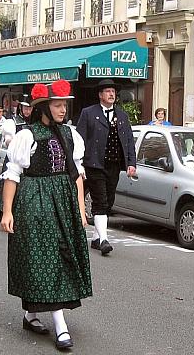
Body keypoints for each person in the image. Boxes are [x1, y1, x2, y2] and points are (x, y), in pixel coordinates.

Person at [0, 80, 91, 350]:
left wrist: (81, 209)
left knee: (60, 256)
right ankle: (60, 326)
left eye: (64, 104)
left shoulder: (70, 134)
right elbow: (12, 174)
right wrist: (7, 211)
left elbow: (76, 175)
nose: (63, 109)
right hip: (35, 199)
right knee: (43, 257)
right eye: (57, 105)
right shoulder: (27, 135)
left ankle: (30, 315)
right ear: (44, 108)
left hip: (62, 201)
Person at [76, 79, 137, 256]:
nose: (111, 94)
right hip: (94, 164)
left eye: (113, 91)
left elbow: (128, 141)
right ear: (100, 95)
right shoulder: (88, 113)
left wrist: (131, 163)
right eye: (108, 91)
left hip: (114, 164)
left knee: (108, 201)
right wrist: (79, 163)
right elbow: (79, 139)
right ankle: (104, 240)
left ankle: (96, 238)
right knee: (100, 201)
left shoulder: (122, 116)